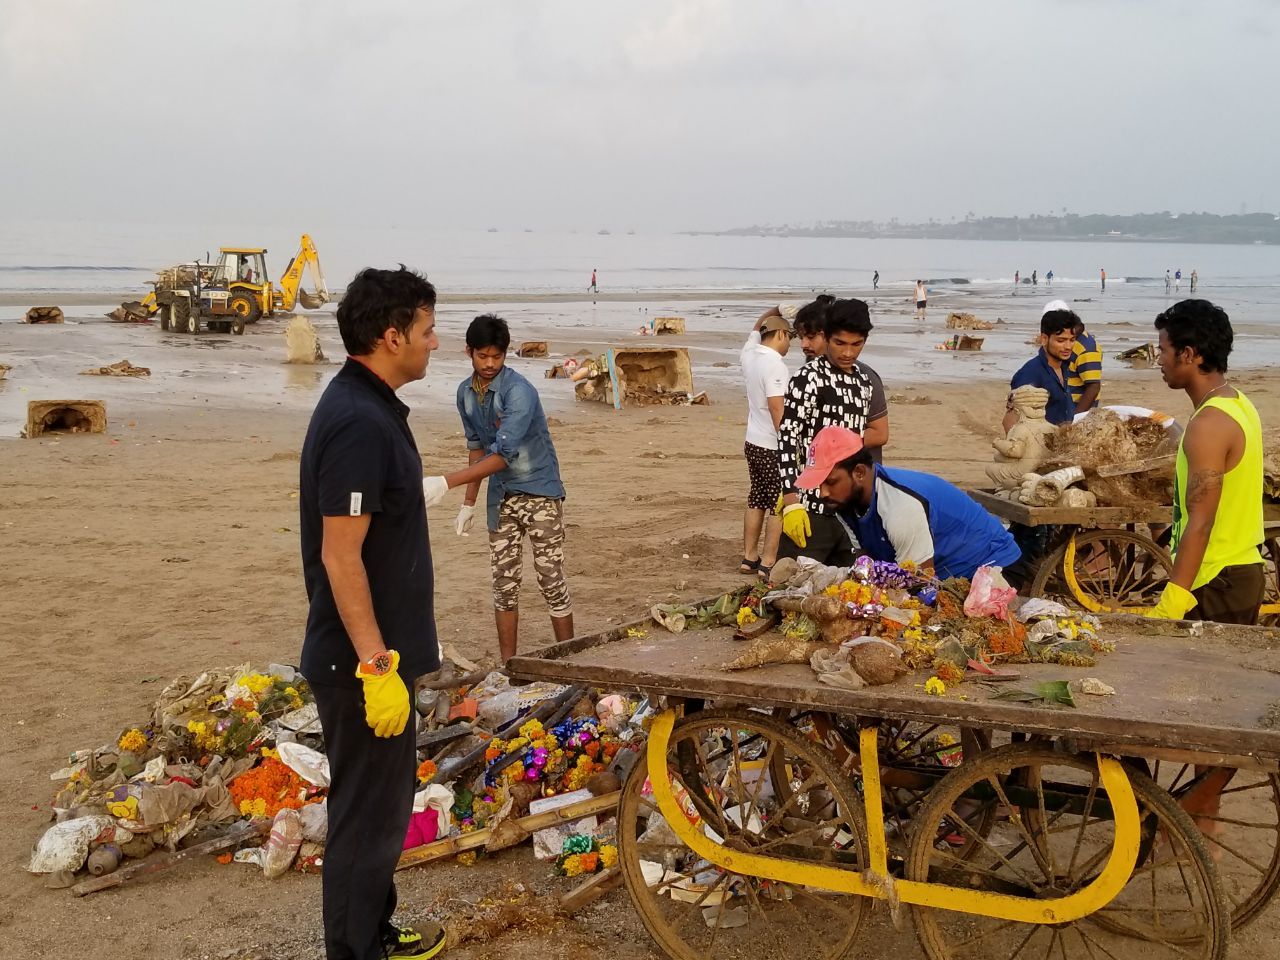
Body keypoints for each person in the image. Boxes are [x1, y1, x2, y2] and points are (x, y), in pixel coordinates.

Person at [299, 266, 447, 960]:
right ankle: (354, 952)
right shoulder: (357, 421)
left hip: (375, 656)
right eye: (425, 330)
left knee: (383, 811)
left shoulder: (373, 406)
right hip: (361, 663)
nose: (434, 342)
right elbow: (340, 554)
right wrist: (376, 663)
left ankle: (375, 930)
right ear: (392, 336)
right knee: (364, 817)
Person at [430, 314, 572, 665]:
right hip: (502, 497)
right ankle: (510, 666)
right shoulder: (465, 394)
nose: (490, 364)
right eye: (483, 356)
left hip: (539, 490)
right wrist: (468, 503)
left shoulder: (519, 391)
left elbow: (504, 454)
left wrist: (446, 481)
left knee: (551, 579)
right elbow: (476, 447)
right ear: (469, 352)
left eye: (497, 356)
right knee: (504, 585)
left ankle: (571, 662)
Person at [1148, 299, 1265, 624]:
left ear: (1188, 354)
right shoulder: (1238, 403)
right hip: (1235, 573)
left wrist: (1172, 601)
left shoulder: (1209, 424)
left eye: (1163, 349)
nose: (1159, 360)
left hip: (1217, 582)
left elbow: (1201, 522)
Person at [798, 425, 1022, 581]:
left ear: (858, 472)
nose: (822, 492)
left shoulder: (900, 508)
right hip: (939, 570)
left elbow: (920, 580)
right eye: (818, 484)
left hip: (991, 567)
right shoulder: (844, 502)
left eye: (831, 482)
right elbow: (866, 557)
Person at [777, 299, 878, 566]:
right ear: (827, 337)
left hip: (849, 512)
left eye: (856, 344)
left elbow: (858, 446)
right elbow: (788, 439)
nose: (847, 352)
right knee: (790, 586)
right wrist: (790, 499)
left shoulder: (863, 383)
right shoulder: (808, 378)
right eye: (839, 343)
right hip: (809, 506)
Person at [791, 296, 889, 461]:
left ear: (826, 334)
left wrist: (834, 444)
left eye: (811, 337)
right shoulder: (807, 377)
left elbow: (880, 433)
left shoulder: (867, 378)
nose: (804, 345)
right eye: (801, 338)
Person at [738, 307, 794, 578]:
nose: (791, 344)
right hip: (772, 444)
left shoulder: (749, 356)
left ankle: (749, 557)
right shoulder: (775, 365)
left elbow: (755, 329)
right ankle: (769, 559)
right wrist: (790, 445)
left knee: (757, 497)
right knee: (778, 503)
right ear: (781, 334)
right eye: (790, 337)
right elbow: (777, 409)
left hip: (752, 441)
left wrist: (773, 310)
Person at [1005, 306, 1077, 430]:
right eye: (1061, 340)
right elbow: (1010, 422)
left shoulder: (1064, 366)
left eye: (1072, 340)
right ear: (1044, 339)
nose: (1068, 346)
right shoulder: (1030, 373)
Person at [1052, 299, 1103, 413]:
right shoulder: (1062, 344)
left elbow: (1093, 387)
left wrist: (1075, 418)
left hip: (1077, 410)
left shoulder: (1087, 349)